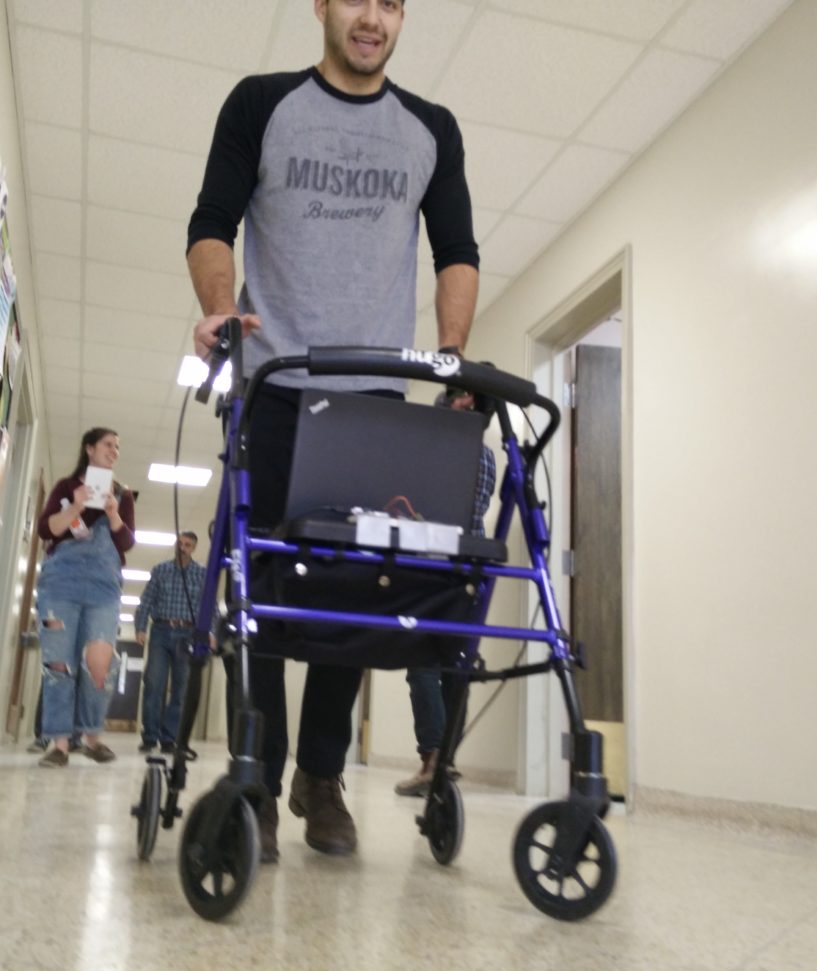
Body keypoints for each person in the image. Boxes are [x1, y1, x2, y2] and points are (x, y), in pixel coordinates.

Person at [186, 0, 479, 862]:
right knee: (269, 589)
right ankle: (258, 774)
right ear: (321, 5)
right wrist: (219, 310)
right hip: (277, 383)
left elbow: (456, 250)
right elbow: (212, 224)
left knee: (358, 594)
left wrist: (452, 355)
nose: (373, 18)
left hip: (376, 401)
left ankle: (320, 773)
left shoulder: (431, 130)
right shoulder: (261, 103)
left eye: (392, 3)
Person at [395, 388, 496, 795]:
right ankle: (441, 760)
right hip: (453, 567)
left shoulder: (459, 449)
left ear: (469, 402)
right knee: (448, 666)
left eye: (455, 394)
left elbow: (438, 509)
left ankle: (435, 762)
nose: (446, 399)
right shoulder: (472, 450)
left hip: (444, 565)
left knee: (434, 665)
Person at [33, 427, 136, 768]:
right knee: (59, 664)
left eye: (118, 447)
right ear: (89, 448)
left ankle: (92, 737)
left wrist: (113, 514)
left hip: (104, 587)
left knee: (100, 665)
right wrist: (77, 503)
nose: (115, 451)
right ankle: (60, 744)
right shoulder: (65, 486)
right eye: (109, 444)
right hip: (60, 583)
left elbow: (126, 544)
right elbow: (47, 530)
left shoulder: (123, 495)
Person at [133, 531, 205, 755]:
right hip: (161, 631)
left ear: (193, 548)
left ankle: (169, 738)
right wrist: (140, 627)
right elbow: (147, 601)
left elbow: (207, 606)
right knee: (154, 682)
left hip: (188, 633)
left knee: (181, 689)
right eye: (180, 543)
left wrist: (209, 631)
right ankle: (150, 736)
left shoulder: (201, 574)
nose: (182, 547)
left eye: (188, 545)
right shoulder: (160, 570)